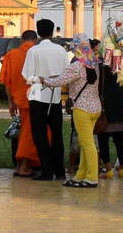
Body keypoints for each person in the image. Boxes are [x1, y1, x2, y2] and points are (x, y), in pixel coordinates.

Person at [43, 36, 101, 187]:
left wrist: (43, 81)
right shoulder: (94, 64)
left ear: (76, 48)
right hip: (95, 108)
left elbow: (60, 80)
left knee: (87, 144)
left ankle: (92, 177)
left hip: (82, 108)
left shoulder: (77, 66)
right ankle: (81, 175)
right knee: (85, 142)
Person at [22, 19, 68, 181]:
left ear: (38, 32)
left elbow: (26, 76)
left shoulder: (34, 51)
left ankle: (47, 170)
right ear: (53, 31)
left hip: (37, 95)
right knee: (57, 135)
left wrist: (40, 79)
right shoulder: (61, 50)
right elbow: (66, 74)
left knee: (40, 135)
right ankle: (60, 170)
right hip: (54, 97)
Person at [0, 29, 42, 176]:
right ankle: (23, 165)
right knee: (29, 134)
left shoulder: (11, 55)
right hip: (36, 100)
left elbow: (7, 81)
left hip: (19, 101)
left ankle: (25, 164)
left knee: (26, 132)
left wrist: (11, 103)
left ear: (21, 40)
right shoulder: (37, 54)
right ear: (35, 41)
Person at [95, 41, 123, 179]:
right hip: (119, 107)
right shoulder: (120, 68)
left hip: (106, 108)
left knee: (103, 139)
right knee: (119, 140)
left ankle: (108, 169)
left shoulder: (101, 68)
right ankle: (122, 168)